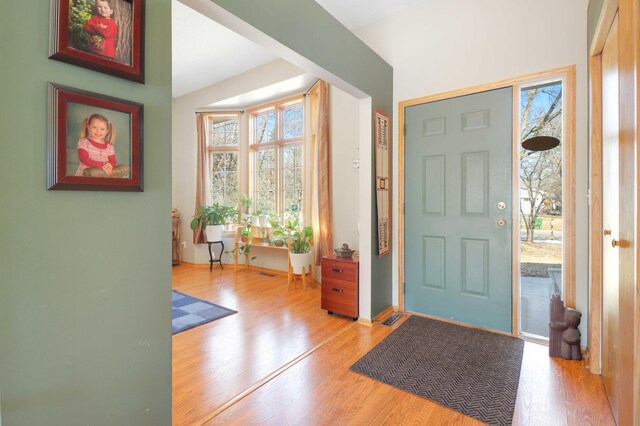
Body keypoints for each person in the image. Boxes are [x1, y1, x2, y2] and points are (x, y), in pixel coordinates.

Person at [76, 113, 130, 178]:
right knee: (91, 171)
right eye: (94, 127)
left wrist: (110, 165)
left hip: (105, 171)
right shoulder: (84, 142)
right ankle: (108, 177)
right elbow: (84, 159)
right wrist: (101, 166)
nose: (98, 131)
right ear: (88, 127)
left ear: (107, 130)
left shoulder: (109, 147)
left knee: (126, 167)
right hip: (89, 174)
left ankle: (107, 176)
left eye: (102, 129)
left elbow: (113, 160)